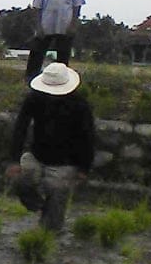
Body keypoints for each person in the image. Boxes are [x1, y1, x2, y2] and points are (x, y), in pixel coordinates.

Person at [6, 62, 95, 232]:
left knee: (56, 202)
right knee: (20, 179)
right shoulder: (34, 98)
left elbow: (88, 137)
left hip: (66, 163)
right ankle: (40, 206)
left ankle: (49, 230)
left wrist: (84, 168)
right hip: (37, 155)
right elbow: (20, 127)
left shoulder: (80, 105)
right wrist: (14, 160)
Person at [25, 0, 85, 83]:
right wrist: (38, 26)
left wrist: (73, 24)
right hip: (47, 24)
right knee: (37, 53)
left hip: (65, 23)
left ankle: (62, 81)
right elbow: (37, 5)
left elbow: (77, 4)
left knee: (63, 55)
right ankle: (31, 78)